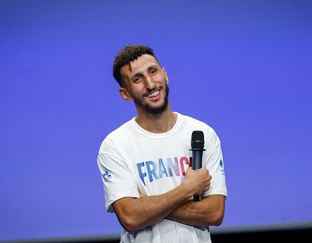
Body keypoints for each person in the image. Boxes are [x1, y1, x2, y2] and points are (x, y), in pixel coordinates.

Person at [97, 44, 227, 243]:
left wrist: (146, 205)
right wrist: (188, 189)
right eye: (137, 79)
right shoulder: (115, 145)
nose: (150, 84)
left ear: (165, 74)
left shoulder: (202, 133)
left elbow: (215, 213)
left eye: (153, 71)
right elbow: (130, 218)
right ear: (126, 94)